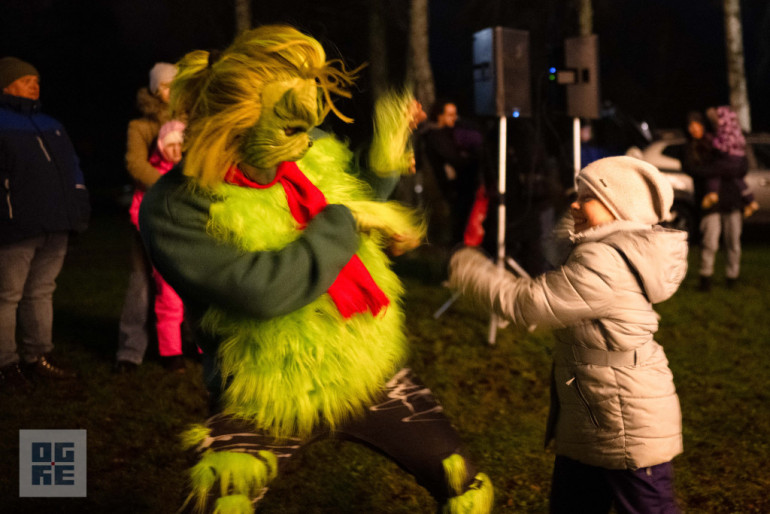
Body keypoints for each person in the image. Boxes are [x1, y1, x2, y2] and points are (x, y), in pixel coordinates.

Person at [139, 26, 492, 513]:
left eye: (307, 126)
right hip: (265, 392)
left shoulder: (311, 152)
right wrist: (350, 221)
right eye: (288, 128)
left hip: (367, 367)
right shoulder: (178, 206)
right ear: (231, 123)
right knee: (220, 504)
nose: (306, 140)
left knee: (466, 489)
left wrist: (384, 161)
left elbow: (346, 200)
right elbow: (263, 290)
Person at [449, 156, 688, 513]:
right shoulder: (606, 250)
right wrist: (581, 216)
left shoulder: (605, 262)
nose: (574, 204)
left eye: (587, 197)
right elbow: (555, 246)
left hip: (627, 421)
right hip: (596, 409)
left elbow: (527, 303)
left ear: (617, 208)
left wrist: (466, 266)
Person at [0, 57, 90, 392]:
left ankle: (37, 357)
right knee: (7, 296)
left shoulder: (51, 124)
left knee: (41, 292)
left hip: (55, 224)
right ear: (6, 85)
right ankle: (6, 364)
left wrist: (78, 206)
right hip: (16, 226)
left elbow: (72, 167)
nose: (34, 85)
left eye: (36, 80)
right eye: (26, 80)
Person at [114, 62, 177, 373]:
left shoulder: (190, 122)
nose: (171, 92)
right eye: (165, 86)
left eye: (175, 86)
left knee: (184, 282)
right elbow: (135, 164)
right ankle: (130, 350)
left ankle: (181, 343)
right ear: (154, 89)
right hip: (149, 211)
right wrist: (170, 186)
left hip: (183, 216)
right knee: (141, 282)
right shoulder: (140, 127)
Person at [127, 120, 187, 372]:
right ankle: (171, 352)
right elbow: (139, 210)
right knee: (169, 298)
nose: (175, 151)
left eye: (179, 145)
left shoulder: (190, 174)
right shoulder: (153, 178)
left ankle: (201, 348)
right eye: (170, 145)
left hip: (190, 245)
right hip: (164, 247)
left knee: (197, 300)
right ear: (161, 146)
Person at [683, 110, 749, 291]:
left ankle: (732, 277)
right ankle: (706, 277)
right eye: (690, 126)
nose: (693, 129)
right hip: (709, 200)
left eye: (696, 125)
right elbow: (694, 169)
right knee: (710, 240)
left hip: (731, 198)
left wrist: (721, 168)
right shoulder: (691, 148)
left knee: (733, 240)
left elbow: (742, 167)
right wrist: (720, 169)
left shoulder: (721, 143)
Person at [421, 99, 486, 248]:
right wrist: (471, 160)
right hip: (451, 187)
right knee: (457, 222)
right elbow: (453, 158)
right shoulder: (435, 136)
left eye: (455, 114)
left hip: (458, 185)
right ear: (439, 116)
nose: (454, 118)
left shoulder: (451, 132)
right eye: (450, 114)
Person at [700, 106, 759, 218]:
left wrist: (713, 142)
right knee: (739, 179)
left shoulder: (723, 133)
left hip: (729, 159)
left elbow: (720, 145)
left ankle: (712, 193)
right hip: (739, 159)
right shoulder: (737, 132)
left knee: (715, 171)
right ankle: (751, 201)